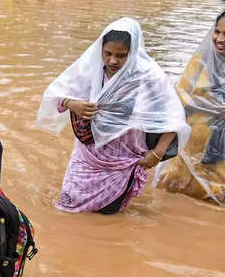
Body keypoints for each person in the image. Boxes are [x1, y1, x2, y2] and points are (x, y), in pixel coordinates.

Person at [36, 17, 190, 214]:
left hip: (123, 162)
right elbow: (55, 94)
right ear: (101, 49)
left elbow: (171, 118)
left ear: (133, 52)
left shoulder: (150, 78)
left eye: (121, 55)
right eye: (107, 53)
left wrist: (157, 153)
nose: (113, 61)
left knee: (108, 215)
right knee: (67, 205)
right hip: (87, 156)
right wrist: (72, 104)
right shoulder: (91, 69)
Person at [154, 11, 225, 205]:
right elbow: (180, 97)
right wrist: (214, 108)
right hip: (191, 145)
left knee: (215, 201)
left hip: (220, 156)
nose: (220, 39)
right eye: (217, 32)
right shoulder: (201, 63)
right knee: (171, 193)